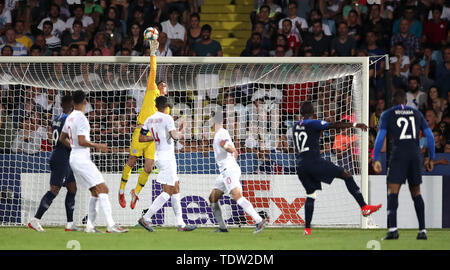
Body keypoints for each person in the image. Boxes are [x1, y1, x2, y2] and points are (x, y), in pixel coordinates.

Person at [294, 101, 382, 235]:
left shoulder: (295, 126)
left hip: (301, 166)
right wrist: (354, 124)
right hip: (314, 162)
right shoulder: (312, 123)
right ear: (313, 113)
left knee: (311, 194)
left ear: (301, 113)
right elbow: (333, 125)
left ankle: (307, 229)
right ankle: (364, 207)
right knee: (346, 174)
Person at [60, 90, 127, 233]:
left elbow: (62, 138)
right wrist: (99, 146)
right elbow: (82, 141)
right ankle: (111, 225)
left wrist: (74, 147)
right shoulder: (82, 119)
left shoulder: (70, 117)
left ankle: (90, 226)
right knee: (104, 189)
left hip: (75, 158)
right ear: (85, 102)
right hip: (82, 159)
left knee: (95, 192)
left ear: (73, 102)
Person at [372, 89, 435, 240]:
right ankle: (422, 231)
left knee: (393, 192)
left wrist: (376, 158)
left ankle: (393, 230)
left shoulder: (387, 114)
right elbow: (430, 136)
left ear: (393, 102)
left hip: (399, 154)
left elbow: (380, 137)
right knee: (416, 193)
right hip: (414, 154)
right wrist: (431, 158)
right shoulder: (417, 113)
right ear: (405, 102)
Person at [119, 40, 168, 209]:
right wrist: (153, 53)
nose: (164, 87)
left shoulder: (166, 109)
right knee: (132, 160)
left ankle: (136, 193)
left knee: (148, 167)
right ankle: (121, 190)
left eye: (165, 86)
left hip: (152, 139)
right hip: (140, 131)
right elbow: (153, 70)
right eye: (162, 84)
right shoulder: (151, 90)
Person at [137, 96, 196, 232]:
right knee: (168, 191)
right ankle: (146, 218)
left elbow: (141, 138)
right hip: (167, 157)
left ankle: (181, 224)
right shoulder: (168, 118)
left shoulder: (149, 119)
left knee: (175, 188)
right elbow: (175, 137)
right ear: (167, 105)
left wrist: (156, 136)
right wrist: (183, 129)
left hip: (158, 155)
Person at [208, 110, 267, 234]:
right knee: (213, 197)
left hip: (229, 170)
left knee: (237, 196)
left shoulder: (221, 133)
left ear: (213, 120)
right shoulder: (220, 133)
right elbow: (235, 152)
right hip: (225, 171)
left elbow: (228, 147)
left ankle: (259, 220)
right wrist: (232, 154)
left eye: (210, 119)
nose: (209, 121)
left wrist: (228, 149)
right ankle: (222, 227)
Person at [27, 95, 80, 232]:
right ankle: (36, 219)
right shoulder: (69, 120)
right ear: (73, 106)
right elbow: (63, 140)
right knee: (54, 190)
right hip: (61, 157)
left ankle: (70, 223)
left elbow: (54, 136)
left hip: (62, 156)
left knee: (72, 188)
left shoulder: (56, 118)